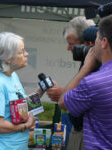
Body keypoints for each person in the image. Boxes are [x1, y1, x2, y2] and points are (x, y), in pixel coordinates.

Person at [55, 14, 112, 150]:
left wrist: (86, 68)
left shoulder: (94, 83)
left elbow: (63, 102)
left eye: (96, 38)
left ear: (104, 42)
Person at [47, 16, 95, 150]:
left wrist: (63, 94)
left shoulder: (95, 65)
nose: (68, 48)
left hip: (87, 135)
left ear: (87, 43)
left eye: (71, 44)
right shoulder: (88, 61)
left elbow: (86, 101)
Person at [0, 32, 44, 150]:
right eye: (21, 52)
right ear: (8, 58)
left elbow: (21, 105)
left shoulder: (12, 75)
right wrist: (25, 126)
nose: (26, 54)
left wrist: (41, 90)